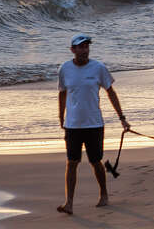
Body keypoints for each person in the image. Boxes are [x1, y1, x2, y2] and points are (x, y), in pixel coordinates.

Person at [57, 33, 130, 215]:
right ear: (72, 50)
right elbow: (62, 94)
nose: (84, 50)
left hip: (94, 124)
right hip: (72, 125)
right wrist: (61, 118)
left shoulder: (98, 68)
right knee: (72, 162)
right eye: (80, 47)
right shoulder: (64, 69)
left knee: (95, 161)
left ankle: (103, 194)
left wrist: (122, 117)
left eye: (86, 46)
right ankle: (69, 203)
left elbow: (110, 92)